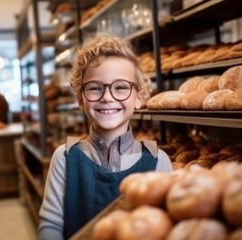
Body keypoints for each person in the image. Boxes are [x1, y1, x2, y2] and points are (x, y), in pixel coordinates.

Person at [38, 33, 173, 240]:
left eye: (120, 87)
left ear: (139, 97)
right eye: (94, 88)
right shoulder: (65, 158)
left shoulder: (158, 161)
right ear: (81, 99)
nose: (107, 97)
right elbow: (51, 226)